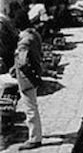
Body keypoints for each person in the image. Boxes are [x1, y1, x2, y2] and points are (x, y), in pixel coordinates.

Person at [14, 11, 44, 150]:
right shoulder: (35, 34)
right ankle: (36, 133)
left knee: (30, 108)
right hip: (36, 72)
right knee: (32, 106)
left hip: (27, 78)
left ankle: (34, 138)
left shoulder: (24, 40)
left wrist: (16, 68)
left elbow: (22, 61)